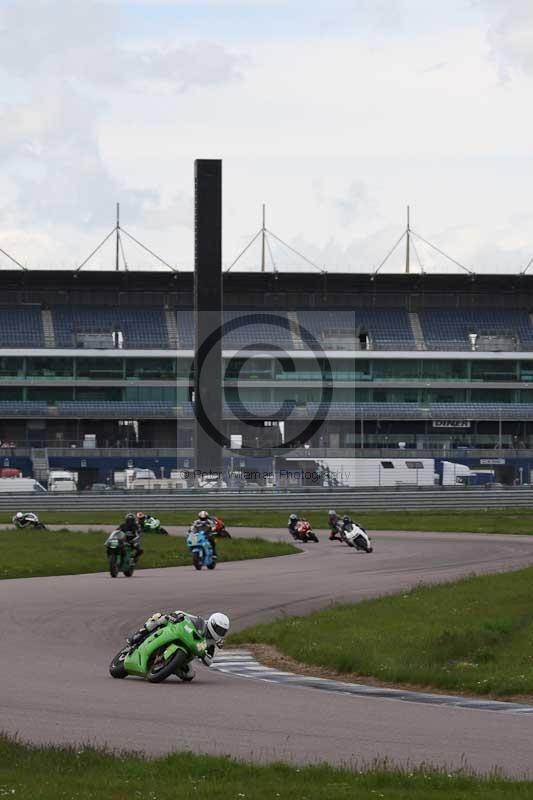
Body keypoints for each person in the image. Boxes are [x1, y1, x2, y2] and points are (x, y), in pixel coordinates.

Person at [127, 610, 230, 680]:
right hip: (179, 635)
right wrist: (176, 615)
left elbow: (210, 661)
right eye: (219, 629)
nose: (220, 633)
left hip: (186, 654)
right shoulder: (200, 622)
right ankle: (140, 634)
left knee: (189, 675)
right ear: (212, 623)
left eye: (223, 631)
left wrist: (203, 655)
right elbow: (184, 614)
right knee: (161, 617)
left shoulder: (212, 643)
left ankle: (169, 666)